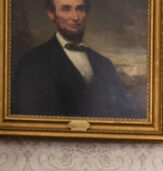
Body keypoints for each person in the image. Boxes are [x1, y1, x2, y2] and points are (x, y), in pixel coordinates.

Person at [10, 0, 144, 118]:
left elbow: (125, 113)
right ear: (52, 14)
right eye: (66, 9)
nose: (75, 17)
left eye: (80, 9)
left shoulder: (104, 64)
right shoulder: (32, 62)